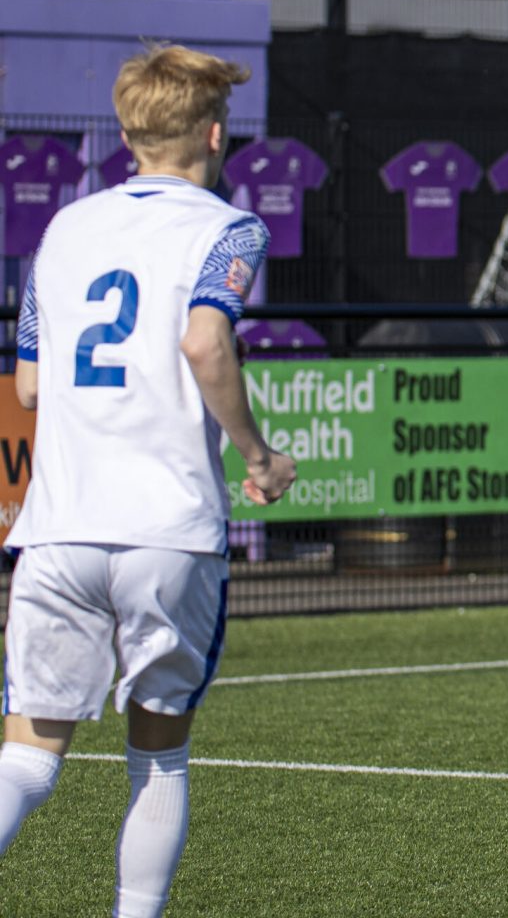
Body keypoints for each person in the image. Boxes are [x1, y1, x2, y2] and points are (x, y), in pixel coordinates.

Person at [0, 45, 297, 918]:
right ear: (215, 134)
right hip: (167, 530)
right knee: (158, 758)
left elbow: (28, 385)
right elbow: (205, 341)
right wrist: (258, 456)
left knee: (26, 761)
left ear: (128, 136)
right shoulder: (229, 228)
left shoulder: (63, 230)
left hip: (59, 529)